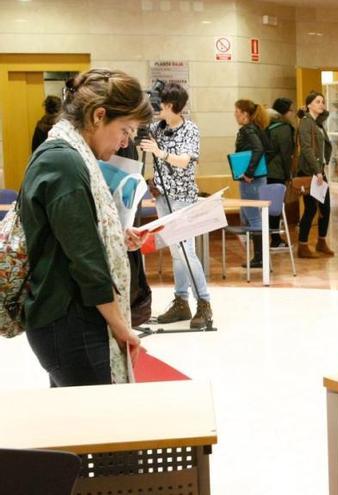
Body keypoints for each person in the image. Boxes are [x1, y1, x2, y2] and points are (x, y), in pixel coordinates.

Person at [19, 68, 152, 387]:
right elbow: (85, 259)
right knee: (99, 428)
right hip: (71, 321)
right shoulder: (64, 163)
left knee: (79, 426)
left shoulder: (69, 156)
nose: (124, 144)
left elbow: (68, 234)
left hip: (69, 318)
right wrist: (122, 327)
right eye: (125, 130)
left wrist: (116, 238)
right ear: (98, 116)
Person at [139, 83, 212, 328]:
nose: (157, 108)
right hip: (162, 197)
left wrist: (160, 153)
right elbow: (137, 130)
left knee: (185, 251)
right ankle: (181, 302)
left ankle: (204, 304)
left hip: (182, 198)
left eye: (160, 104)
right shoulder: (156, 129)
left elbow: (184, 162)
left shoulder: (190, 129)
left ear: (171, 106)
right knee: (176, 252)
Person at [296, 91, 334, 258]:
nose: (322, 105)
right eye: (318, 102)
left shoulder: (318, 122)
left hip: (319, 171)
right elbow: (306, 148)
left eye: (323, 102)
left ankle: (321, 241)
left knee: (325, 208)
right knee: (311, 209)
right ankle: (303, 245)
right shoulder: (306, 122)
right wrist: (317, 171)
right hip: (311, 172)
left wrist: (321, 169)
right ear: (309, 104)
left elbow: (325, 114)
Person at [234, 99, 271, 268]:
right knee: (253, 217)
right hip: (258, 178)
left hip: (252, 180)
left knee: (254, 218)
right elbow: (268, 149)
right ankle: (260, 257)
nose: (235, 115)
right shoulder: (257, 129)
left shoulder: (248, 130)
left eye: (237, 111)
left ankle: (259, 258)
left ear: (245, 114)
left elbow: (258, 150)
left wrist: (249, 172)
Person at [267, 96, 296, 248]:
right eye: (291, 110)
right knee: (275, 208)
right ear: (284, 112)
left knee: (269, 207)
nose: (292, 113)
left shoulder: (269, 124)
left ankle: (272, 238)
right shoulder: (283, 128)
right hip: (277, 172)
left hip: (266, 172)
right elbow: (286, 154)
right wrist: (288, 174)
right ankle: (276, 239)